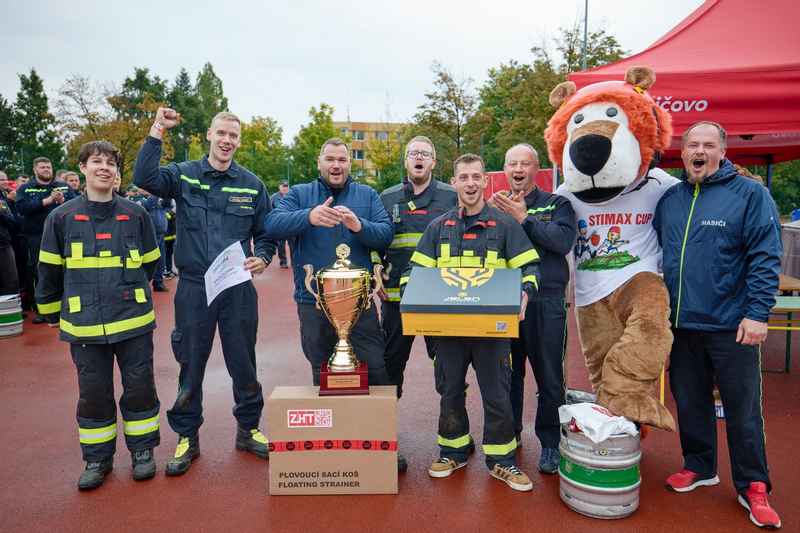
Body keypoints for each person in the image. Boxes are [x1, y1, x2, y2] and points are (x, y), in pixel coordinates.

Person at [654, 121, 782, 529]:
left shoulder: (750, 195)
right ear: (683, 152)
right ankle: (699, 465)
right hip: (682, 324)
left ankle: (753, 484)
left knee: (743, 410)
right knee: (689, 401)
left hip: (733, 325)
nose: (700, 151)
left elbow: (766, 256)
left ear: (723, 152)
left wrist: (758, 313)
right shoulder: (670, 200)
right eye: (693, 144)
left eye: (709, 145)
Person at [134, 107, 276, 476]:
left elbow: (266, 233)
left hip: (237, 287)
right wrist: (157, 129)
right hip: (195, 287)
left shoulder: (252, 184)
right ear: (209, 135)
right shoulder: (183, 175)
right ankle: (187, 437)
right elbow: (144, 176)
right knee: (191, 362)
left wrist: (263, 257)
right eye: (221, 133)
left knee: (243, 362)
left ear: (239, 142)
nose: (227, 141)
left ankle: (249, 429)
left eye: (233, 136)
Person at [401, 153, 540, 492]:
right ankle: (453, 450)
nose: (470, 183)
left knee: (497, 393)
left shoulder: (505, 225)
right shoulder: (438, 227)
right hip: (448, 331)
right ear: (454, 183)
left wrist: (525, 293)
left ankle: (502, 460)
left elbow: (530, 268)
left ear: (485, 181)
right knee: (449, 390)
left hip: (492, 331)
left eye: (476, 177)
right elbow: (413, 273)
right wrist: (412, 296)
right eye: (464, 177)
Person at [36, 141, 162, 490]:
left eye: (110, 163)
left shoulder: (136, 214)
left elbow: (151, 262)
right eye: (97, 161)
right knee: (93, 393)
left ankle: (142, 451)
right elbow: (48, 270)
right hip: (85, 325)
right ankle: (98, 459)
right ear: (83, 167)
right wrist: (50, 311)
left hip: (133, 322)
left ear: (117, 171)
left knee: (140, 387)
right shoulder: (61, 217)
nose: (104, 167)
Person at [264, 137, 392, 386]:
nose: (336, 165)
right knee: (323, 372)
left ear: (350, 164)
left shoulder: (367, 195)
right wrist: (309, 216)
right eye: (330, 159)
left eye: (342, 159)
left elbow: (385, 235)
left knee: (375, 369)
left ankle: (372, 413)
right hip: (313, 302)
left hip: (360, 304)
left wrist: (359, 225)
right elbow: (272, 224)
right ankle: (332, 414)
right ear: (319, 163)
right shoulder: (300, 194)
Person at [490, 143, 576, 474]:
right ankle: (509, 435)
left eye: (524, 163)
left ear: (536, 169)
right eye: (512, 163)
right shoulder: (494, 206)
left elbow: (561, 242)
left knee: (550, 377)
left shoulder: (558, 204)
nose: (518, 169)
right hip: (505, 300)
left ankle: (551, 443)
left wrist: (523, 219)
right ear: (505, 169)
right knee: (506, 376)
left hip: (546, 302)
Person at [378, 135, 456, 398]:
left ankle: (452, 419)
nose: (419, 157)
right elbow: (375, 241)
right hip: (395, 297)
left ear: (433, 162)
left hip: (440, 296)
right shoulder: (387, 197)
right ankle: (385, 419)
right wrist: (376, 266)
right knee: (390, 362)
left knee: (447, 364)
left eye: (425, 153)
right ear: (405, 161)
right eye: (413, 153)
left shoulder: (451, 196)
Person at [15, 157, 78, 324]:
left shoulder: (63, 186)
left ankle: (67, 306)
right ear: (35, 170)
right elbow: (21, 208)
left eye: (48, 167)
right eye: (42, 167)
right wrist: (47, 201)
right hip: (37, 237)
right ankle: (41, 309)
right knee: (40, 271)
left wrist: (63, 202)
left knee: (66, 269)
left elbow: (77, 205)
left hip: (64, 235)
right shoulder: (25, 188)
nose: (46, 169)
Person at [128, 187, 169, 292]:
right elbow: (148, 205)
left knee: (161, 260)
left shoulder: (156, 199)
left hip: (161, 234)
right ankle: (143, 282)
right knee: (150, 260)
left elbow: (167, 205)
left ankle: (158, 282)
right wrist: (157, 192)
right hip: (149, 235)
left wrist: (167, 194)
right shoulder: (139, 200)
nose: (147, 189)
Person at [270, 181, 291, 268]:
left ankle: (295, 262)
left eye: (286, 186)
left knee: (294, 244)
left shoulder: (292, 195)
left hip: (292, 223)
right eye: (283, 186)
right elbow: (269, 208)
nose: (285, 188)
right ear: (279, 187)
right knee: (281, 245)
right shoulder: (274, 197)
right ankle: (283, 262)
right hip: (280, 224)